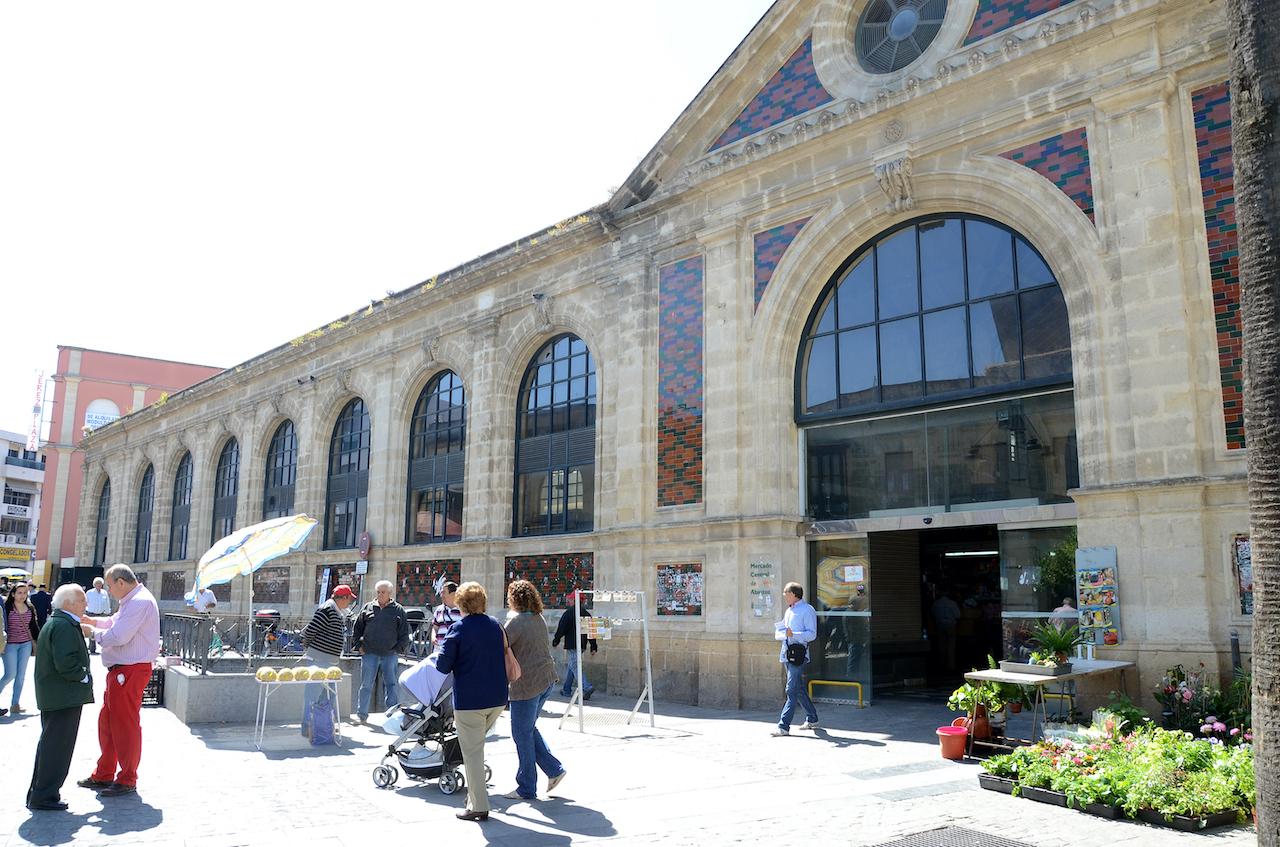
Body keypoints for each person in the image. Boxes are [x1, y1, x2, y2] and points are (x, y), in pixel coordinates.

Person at [77, 564, 161, 797]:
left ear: (121, 583)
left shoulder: (139, 602)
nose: (109, 591)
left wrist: (92, 632)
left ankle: (126, 778)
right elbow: (115, 622)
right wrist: (94, 622)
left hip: (130, 670)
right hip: (123, 670)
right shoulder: (133, 600)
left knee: (124, 724)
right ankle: (105, 773)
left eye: (110, 586)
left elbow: (119, 635)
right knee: (109, 723)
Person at [435, 581, 507, 822]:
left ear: (461, 603)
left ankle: (478, 806)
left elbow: (442, 665)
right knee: (477, 748)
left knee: (473, 753)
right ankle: (475, 797)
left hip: (470, 701)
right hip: (497, 698)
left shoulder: (458, 629)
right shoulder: (496, 625)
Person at [27, 584, 94, 811]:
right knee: (57, 748)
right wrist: (83, 676)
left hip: (57, 695)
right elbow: (66, 663)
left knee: (50, 745)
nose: (86, 605)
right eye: (82, 601)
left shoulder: (59, 621)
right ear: (69, 603)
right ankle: (44, 796)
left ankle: (40, 793)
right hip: (63, 696)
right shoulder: (64, 625)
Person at [503, 580, 567, 801]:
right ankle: (554, 770)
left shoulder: (516, 622)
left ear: (514, 599)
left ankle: (526, 788)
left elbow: (499, 645)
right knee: (527, 729)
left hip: (526, 685)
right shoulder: (537, 617)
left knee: (521, 733)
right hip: (546, 679)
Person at [352, 580, 409, 722]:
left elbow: (404, 633)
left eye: (383, 592)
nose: (380, 594)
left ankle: (391, 714)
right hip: (369, 653)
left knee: (391, 685)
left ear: (390, 593)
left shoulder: (398, 610)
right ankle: (362, 715)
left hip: (390, 655)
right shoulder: (368, 607)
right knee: (366, 685)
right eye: (378, 592)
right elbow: (357, 628)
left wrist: (397, 649)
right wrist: (359, 646)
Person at [301, 583, 355, 729]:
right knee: (313, 694)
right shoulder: (327, 610)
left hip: (328, 660)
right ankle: (308, 725)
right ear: (343, 598)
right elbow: (310, 631)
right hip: (319, 659)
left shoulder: (335, 610)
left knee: (327, 694)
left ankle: (322, 724)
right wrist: (310, 647)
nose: (349, 602)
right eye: (349, 599)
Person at [772, 582, 819, 737]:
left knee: (790, 689)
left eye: (786, 593)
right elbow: (783, 632)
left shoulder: (807, 610)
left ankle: (783, 726)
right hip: (787, 653)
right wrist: (783, 634)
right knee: (798, 689)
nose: (784, 595)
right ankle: (812, 718)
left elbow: (811, 634)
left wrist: (794, 634)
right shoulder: (789, 611)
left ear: (794, 594)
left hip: (799, 655)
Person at [1, 582, 42, 716]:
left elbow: (33, 626)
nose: (23, 595)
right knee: (10, 674)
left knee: (21, 676)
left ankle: (15, 704)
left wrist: (40, 640)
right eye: (19, 593)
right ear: (13, 594)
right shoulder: (7, 607)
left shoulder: (29, 607)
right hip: (10, 644)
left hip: (26, 644)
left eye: (25, 593)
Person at [552, 591, 597, 700]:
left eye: (571, 599)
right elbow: (591, 632)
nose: (569, 601)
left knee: (574, 666)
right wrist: (593, 646)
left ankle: (587, 687)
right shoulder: (587, 614)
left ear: (575, 600)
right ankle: (566, 689)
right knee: (573, 665)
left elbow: (561, 628)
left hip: (572, 644)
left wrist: (556, 640)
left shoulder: (569, 613)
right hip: (582, 644)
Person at [931, 591, 962, 672]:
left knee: (941, 645)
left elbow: (932, 614)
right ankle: (951, 666)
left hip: (940, 625)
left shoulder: (936, 603)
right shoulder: (952, 603)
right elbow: (958, 615)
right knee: (951, 646)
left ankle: (941, 665)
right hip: (951, 625)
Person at [430, 581, 462, 649]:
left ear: (453, 594)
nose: (441, 595)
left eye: (444, 592)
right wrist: (433, 637)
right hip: (439, 648)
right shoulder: (439, 609)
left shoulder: (463, 610)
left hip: (456, 649)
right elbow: (435, 627)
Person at [84, 578, 112, 655]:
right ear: (94, 584)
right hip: (91, 614)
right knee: (92, 631)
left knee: (102, 631)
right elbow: (85, 602)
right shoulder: (89, 593)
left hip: (101, 614)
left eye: (100, 584)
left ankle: (104, 648)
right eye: (97, 584)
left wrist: (108, 612)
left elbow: (107, 603)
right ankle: (92, 648)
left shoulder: (104, 593)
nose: (99, 585)